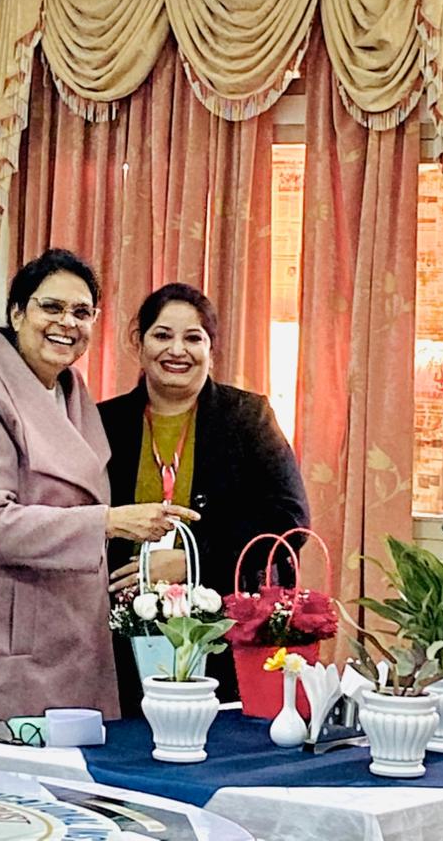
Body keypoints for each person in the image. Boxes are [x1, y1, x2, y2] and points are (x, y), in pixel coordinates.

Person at [0, 249, 198, 759]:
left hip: (67, 637)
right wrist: (108, 522)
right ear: (17, 313)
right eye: (52, 307)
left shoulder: (70, 393)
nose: (68, 323)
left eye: (82, 312)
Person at [100, 282, 310, 708]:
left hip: (224, 637)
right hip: (119, 638)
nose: (177, 350)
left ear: (211, 349)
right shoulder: (104, 421)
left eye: (193, 338)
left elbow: (290, 519)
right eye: (162, 335)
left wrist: (192, 563)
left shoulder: (248, 417)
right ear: (139, 343)